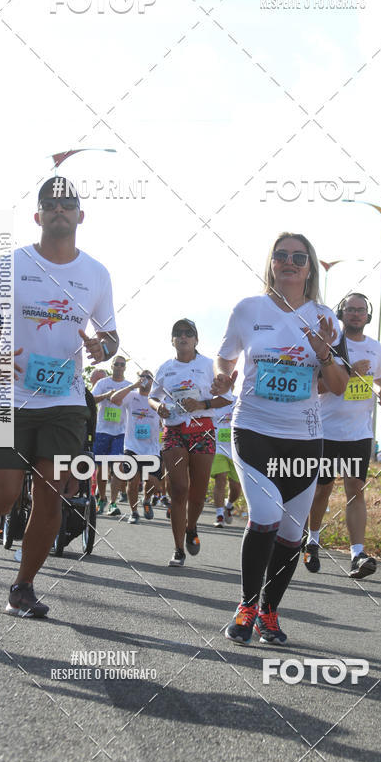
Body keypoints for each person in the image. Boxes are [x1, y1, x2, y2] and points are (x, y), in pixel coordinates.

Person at [0, 178, 117, 617]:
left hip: (65, 402)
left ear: (80, 215)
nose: (59, 209)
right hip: (6, 398)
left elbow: (110, 336)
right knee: (3, 495)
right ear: (38, 215)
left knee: (52, 493)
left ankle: (22, 586)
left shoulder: (97, 274)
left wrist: (103, 347)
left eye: (67, 203)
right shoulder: (12, 264)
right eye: (50, 203)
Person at [213, 232, 348, 645]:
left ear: (310, 268)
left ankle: (269, 611)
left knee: (291, 533)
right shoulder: (248, 309)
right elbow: (225, 357)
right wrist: (222, 375)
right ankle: (246, 605)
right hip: (254, 428)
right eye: (282, 255)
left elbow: (339, 386)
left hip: (303, 438)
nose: (290, 262)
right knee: (266, 514)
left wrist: (323, 352)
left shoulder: (326, 317)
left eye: (299, 257)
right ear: (271, 263)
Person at [304, 292, 381, 579]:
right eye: (350, 309)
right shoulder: (331, 344)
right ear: (341, 314)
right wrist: (349, 373)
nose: (356, 314)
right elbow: (317, 386)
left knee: (356, 489)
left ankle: (357, 554)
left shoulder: (375, 347)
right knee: (322, 489)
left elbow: (380, 379)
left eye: (361, 310)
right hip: (327, 430)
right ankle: (312, 541)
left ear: (368, 315)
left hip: (359, 432)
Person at [149, 319, 230, 567]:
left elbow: (227, 398)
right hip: (174, 431)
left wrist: (202, 404)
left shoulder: (209, 365)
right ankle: (178, 549)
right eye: (178, 333)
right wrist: (159, 407)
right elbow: (152, 397)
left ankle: (191, 527)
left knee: (197, 493)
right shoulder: (165, 368)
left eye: (188, 333)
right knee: (179, 488)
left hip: (202, 430)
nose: (183, 337)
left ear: (196, 340)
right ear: (172, 340)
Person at [109, 369, 161, 523]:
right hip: (132, 446)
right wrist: (133, 386)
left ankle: (146, 500)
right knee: (132, 480)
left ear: (153, 381)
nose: (145, 379)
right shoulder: (131, 396)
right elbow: (114, 399)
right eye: (142, 376)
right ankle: (134, 512)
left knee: (153, 481)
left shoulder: (157, 399)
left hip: (151, 448)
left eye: (148, 377)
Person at [92, 356, 129, 514]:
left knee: (117, 466)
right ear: (112, 366)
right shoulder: (102, 383)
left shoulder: (129, 386)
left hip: (121, 432)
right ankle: (102, 498)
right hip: (103, 430)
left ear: (125, 367)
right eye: (116, 364)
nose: (119, 367)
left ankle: (113, 503)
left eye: (122, 364)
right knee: (102, 467)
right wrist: (106, 395)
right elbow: (91, 399)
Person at [210, 395, 241, 527]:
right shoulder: (211, 402)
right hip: (218, 448)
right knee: (220, 478)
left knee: (236, 487)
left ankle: (228, 506)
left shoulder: (238, 400)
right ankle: (219, 515)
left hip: (236, 449)